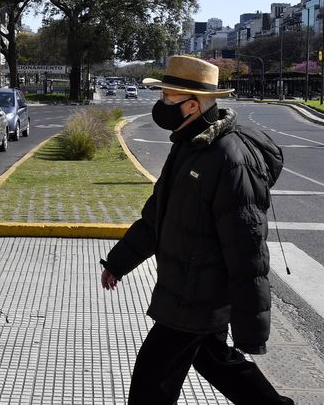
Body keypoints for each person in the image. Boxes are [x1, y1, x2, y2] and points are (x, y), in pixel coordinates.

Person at [100, 55, 292, 405]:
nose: (160, 105)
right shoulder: (188, 145)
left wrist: (250, 331)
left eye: (166, 99)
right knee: (219, 363)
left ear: (191, 105)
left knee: (149, 388)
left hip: (196, 297)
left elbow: (247, 248)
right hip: (187, 290)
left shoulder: (229, 159)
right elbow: (157, 216)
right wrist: (118, 262)